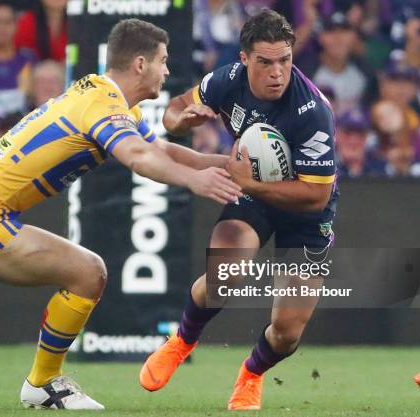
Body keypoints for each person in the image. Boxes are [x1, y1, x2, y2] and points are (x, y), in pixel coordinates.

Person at [0, 18, 242, 410]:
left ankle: (44, 382)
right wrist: (195, 182)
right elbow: (139, 157)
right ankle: (44, 383)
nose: (168, 70)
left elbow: (164, 151)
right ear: (140, 64)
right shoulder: (102, 105)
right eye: (163, 60)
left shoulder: (109, 100)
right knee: (89, 273)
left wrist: (226, 164)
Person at [139, 9, 339, 411]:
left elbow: (315, 196)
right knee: (225, 277)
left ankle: (251, 373)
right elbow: (174, 108)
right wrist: (180, 120)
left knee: (286, 333)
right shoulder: (226, 80)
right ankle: (182, 341)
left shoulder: (313, 112)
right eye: (265, 62)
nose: (277, 72)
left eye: (285, 60)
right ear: (245, 58)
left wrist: (247, 182)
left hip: (304, 209)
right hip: (250, 191)